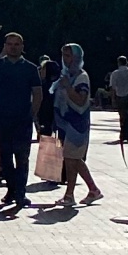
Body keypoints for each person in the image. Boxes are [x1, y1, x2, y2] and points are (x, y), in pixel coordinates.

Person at [0, 30, 42, 216]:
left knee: (22, 158)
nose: (13, 47)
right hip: (2, 117)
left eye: (17, 44)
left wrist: (32, 114)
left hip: (22, 119)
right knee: (5, 156)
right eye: (10, 44)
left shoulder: (30, 69)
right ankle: (11, 190)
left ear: (22, 47)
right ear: (5, 46)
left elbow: (38, 93)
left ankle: (20, 194)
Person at [51, 42, 103, 210]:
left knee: (72, 158)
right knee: (73, 158)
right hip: (66, 123)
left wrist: (67, 87)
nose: (65, 60)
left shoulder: (81, 76)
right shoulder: (66, 74)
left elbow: (81, 100)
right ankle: (89, 190)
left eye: (68, 56)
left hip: (77, 124)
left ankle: (72, 194)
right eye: (64, 55)